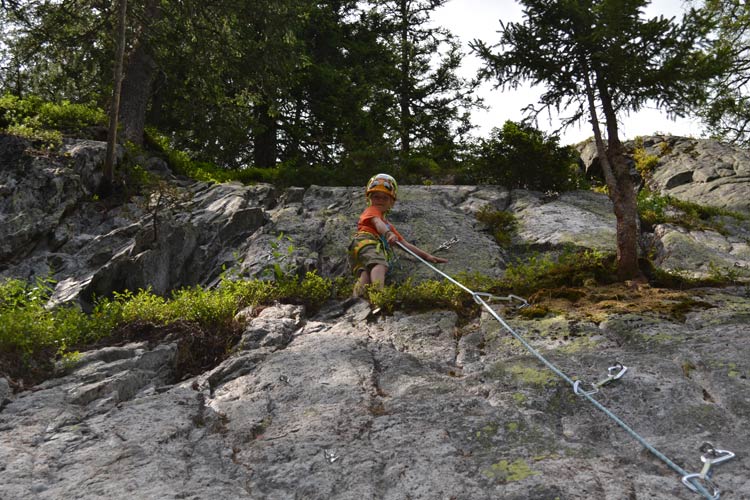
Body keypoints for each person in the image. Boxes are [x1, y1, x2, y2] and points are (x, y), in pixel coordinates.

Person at [348, 173, 448, 298]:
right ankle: (379, 296)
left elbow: (404, 244)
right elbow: (377, 223)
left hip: (357, 248)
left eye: (385, 198)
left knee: (365, 275)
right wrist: (388, 233)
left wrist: (427, 256)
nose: (380, 200)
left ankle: (356, 300)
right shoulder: (372, 211)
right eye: (376, 197)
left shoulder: (387, 224)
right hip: (366, 241)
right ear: (370, 199)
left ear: (392, 202)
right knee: (379, 264)